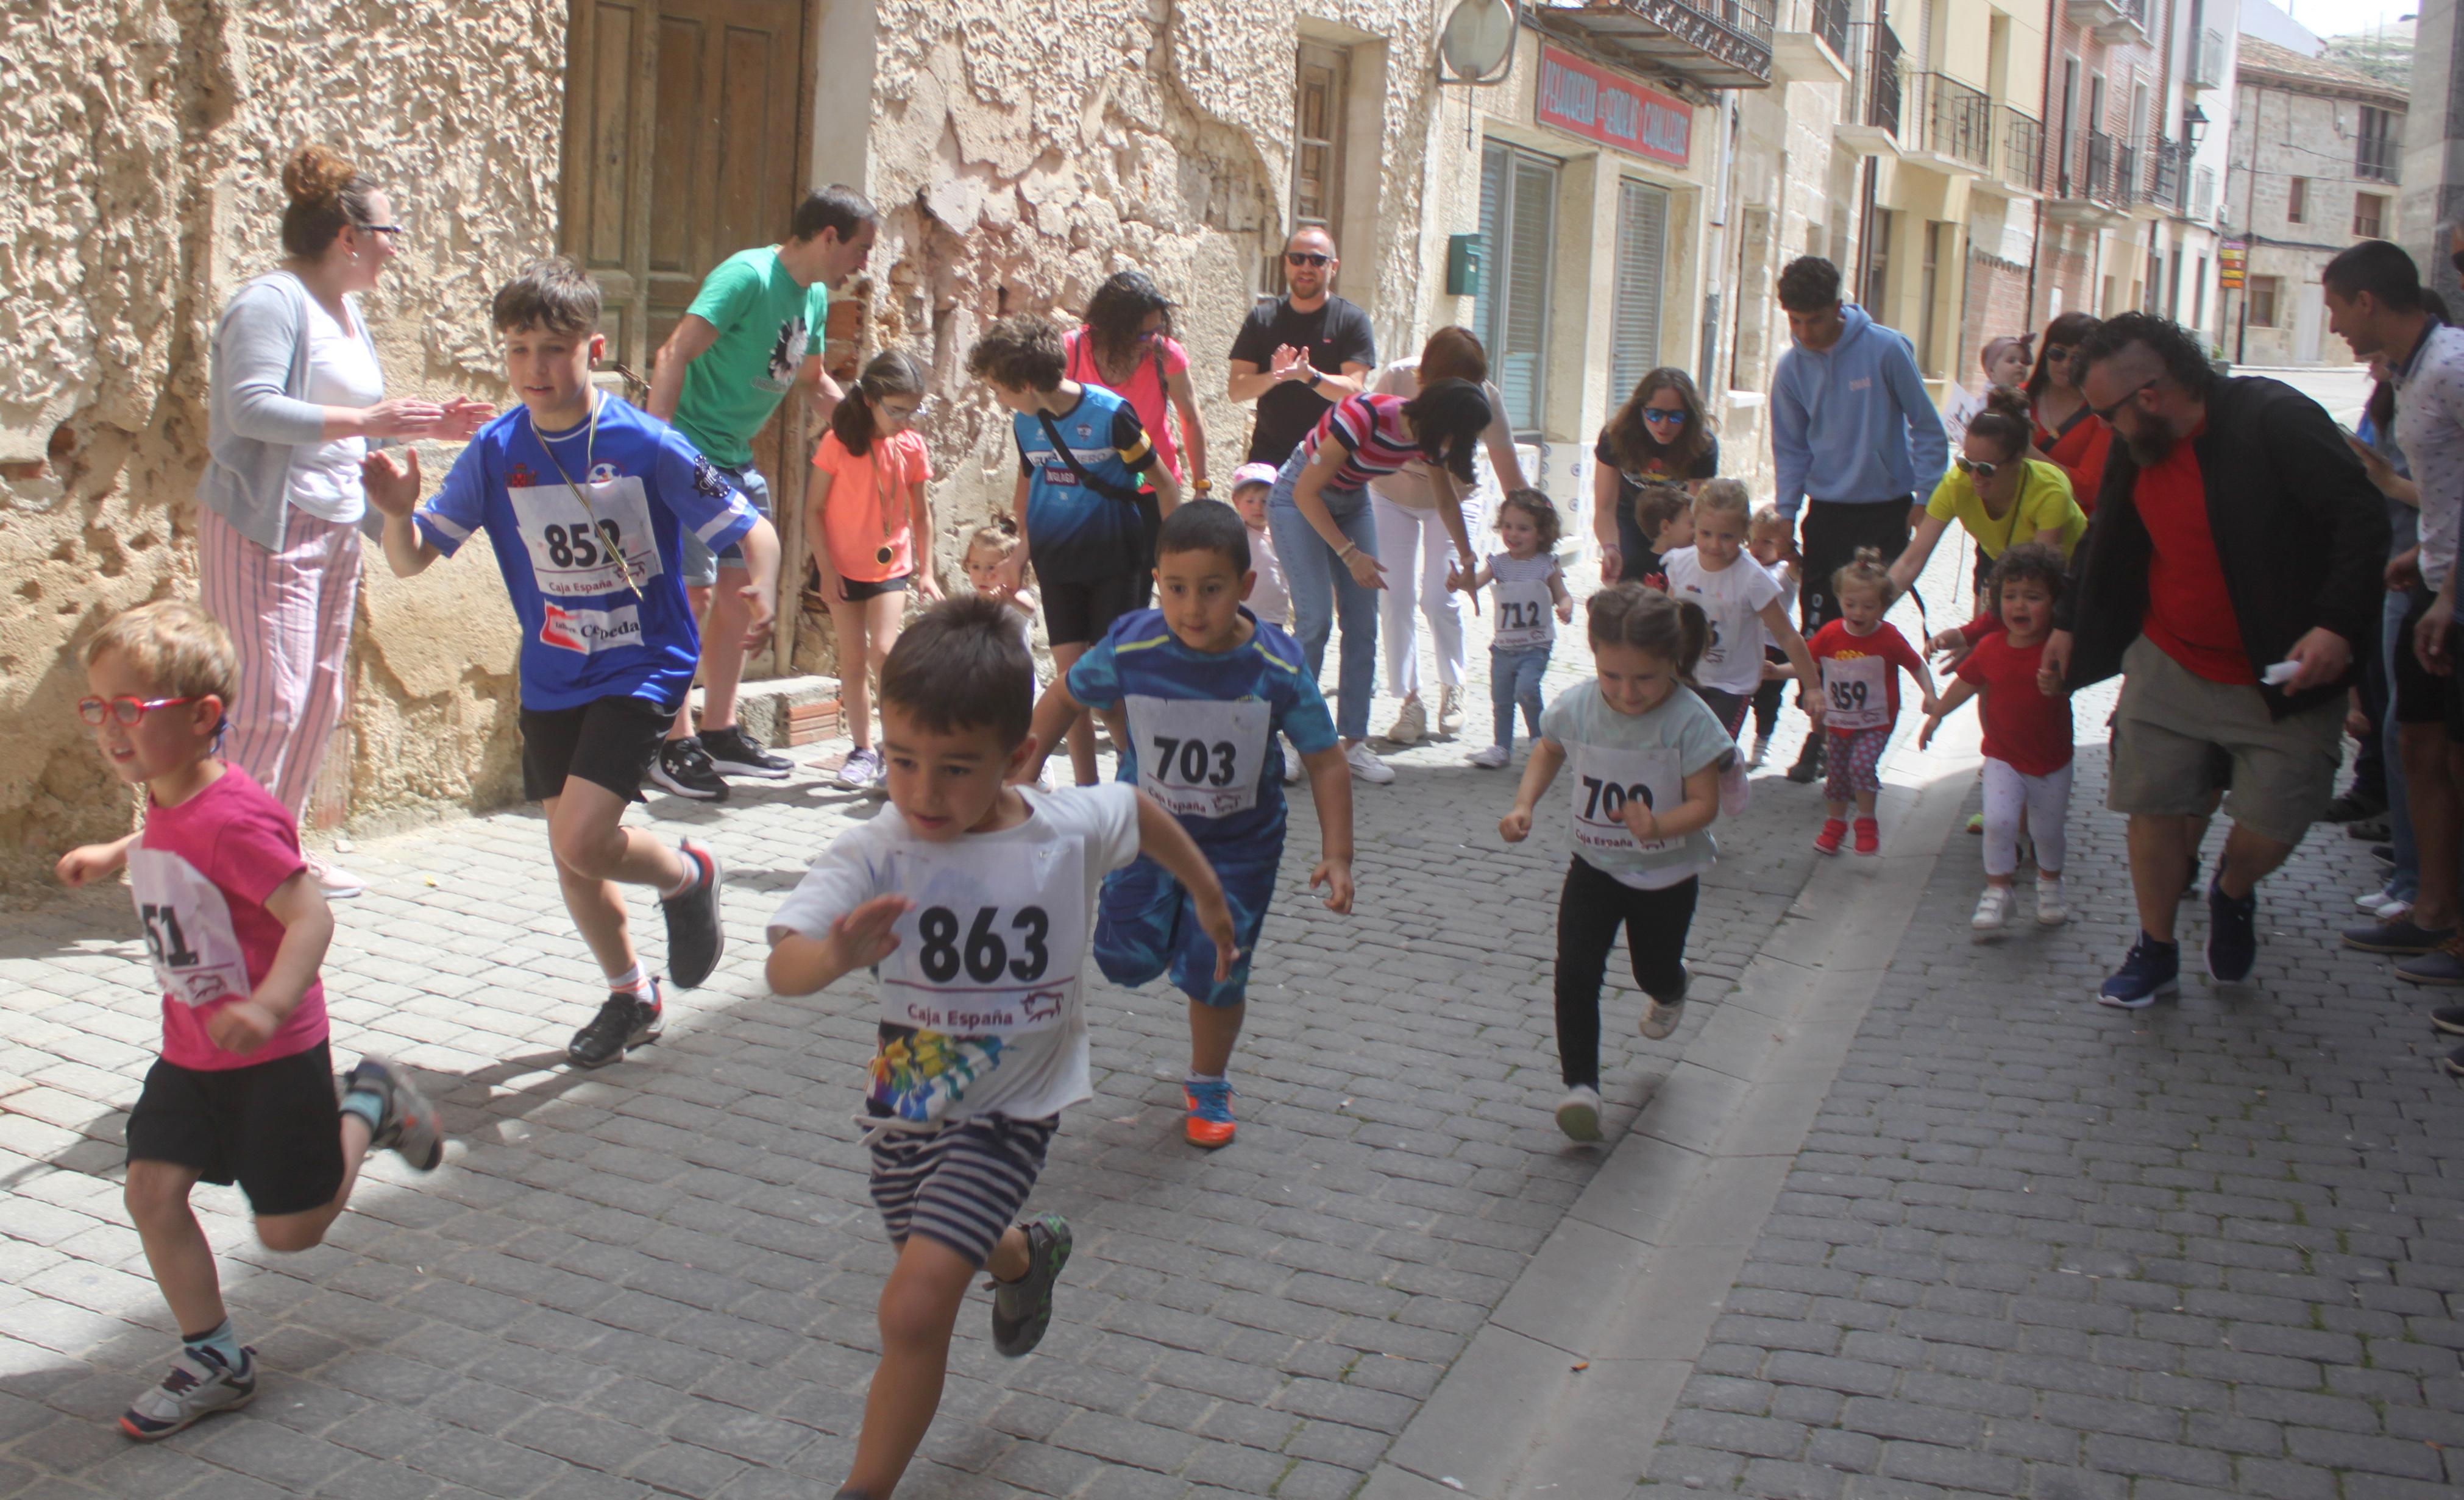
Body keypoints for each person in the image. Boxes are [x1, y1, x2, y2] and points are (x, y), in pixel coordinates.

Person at [764, 597, 1235, 1500]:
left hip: (1013, 1109)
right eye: (901, 761)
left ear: (1017, 755)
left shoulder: (1060, 830)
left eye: (953, 768)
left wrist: (1207, 899)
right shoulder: (877, 848)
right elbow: (783, 965)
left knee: (913, 1302)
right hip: (907, 1099)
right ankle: (1025, 1255)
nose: (922, 791)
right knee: (946, 1250)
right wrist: (832, 954)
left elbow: (1138, 808)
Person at [363, 258, 779, 1066]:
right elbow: (413, 558)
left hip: (642, 666)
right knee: (572, 855)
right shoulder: (495, 451)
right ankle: (632, 994)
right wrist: (395, 512)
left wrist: (755, 587)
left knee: (585, 839)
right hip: (553, 675)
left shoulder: (645, 443)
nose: (535, 369)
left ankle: (687, 874)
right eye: (518, 350)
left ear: (592, 348)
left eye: (553, 349)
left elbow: (749, 528)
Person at [54, 602, 445, 1440]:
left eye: (133, 708)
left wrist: (270, 1004)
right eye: (100, 707)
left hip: (273, 1051)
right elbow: (172, 829)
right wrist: (115, 854)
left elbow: (311, 917)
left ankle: (369, 1100)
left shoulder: (239, 816)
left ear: (202, 718)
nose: (111, 728)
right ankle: (215, 1356)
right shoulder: (167, 788)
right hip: (191, 1047)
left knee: (291, 1231)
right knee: (151, 1192)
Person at [2043, 312, 2387, 1006]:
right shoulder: (2132, 447)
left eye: (2105, 413)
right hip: (2167, 660)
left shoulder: (2273, 420)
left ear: (2149, 395)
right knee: (2152, 806)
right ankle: (2155, 947)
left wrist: (2335, 627)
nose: (2101, 430)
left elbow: (2361, 518)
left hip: (2278, 673)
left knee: (2276, 820)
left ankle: (2232, 888)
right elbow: (2106, 534)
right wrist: (2066, 621)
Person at [197, 144, 493, 897]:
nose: (395, 247)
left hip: (331, 526)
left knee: (323, 695)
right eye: (390, 231)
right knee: (269, 701)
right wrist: (369, 415)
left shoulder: (347, 310)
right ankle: (215, 864)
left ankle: (278, 853)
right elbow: (252, 408)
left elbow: (350, 427)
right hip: (264, 525)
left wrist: (426, 428)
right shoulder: (270, 300)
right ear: (347, 235)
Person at [1026, 501, 1354, 1147]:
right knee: (1124, 959)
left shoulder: (1277, 665)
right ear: (1156, 583)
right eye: (1175, 589)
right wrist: (1021, 769)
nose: (1191, 608)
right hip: (1141, 834)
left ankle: (1208, 1080)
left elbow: (1325, 759)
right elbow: (1067, 693)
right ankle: (1171, 937)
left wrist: (1337, 853)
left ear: (1245, 587)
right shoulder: (1134, 642)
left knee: (1216, 968)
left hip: (1240, 846)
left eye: (1211, 590)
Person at [645, 186, 878, 800]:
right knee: (688, 598)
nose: (863, 263)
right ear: (828, 235)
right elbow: (674, 351)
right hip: (688, 449)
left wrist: (865, 426)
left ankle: (719, 730)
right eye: (859, 248)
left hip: (735, 459)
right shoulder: (747, 276)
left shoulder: (816, 297)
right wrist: (653, 445)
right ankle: (670, 742)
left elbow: (812, 380)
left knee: (737, 595)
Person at [1498, 585, 1734, 1142]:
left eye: (1644, 679)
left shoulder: (1689, 721)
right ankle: (1580, 1087)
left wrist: (1659, 825)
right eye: (1611, 676)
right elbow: (1549, 748)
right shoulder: (1578, 705)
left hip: (1666, 876)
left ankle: (1672, 986)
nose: (1626, 693)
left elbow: (1706, 803)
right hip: (1595, 865)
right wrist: (1523, 804)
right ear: (1595, 661)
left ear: (1672, 665)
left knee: (1650, 969)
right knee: (1575, 969)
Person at [2320, 244, 2464, 987]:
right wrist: (2426, 557)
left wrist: (2448, 588)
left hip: (2450, 604)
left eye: (2337, 307)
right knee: (2421, 751)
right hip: (2434, 588)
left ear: (2367, 301)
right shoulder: (2413, 373)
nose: (2335, 323)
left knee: (2448, 759)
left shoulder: (2448, 365)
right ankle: (2432, 912)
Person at [971, 314, 1184, 787]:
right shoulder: (1024, 424)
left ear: (1026, 382)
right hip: (1058, 564)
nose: (998, 399)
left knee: (1106, 691)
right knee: (1072, 686)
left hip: (1116, 562)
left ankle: (1147, 776)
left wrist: (1171, 567)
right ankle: (1086, 794)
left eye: (998, 389)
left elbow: (1165, 486)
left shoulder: (1111, 415)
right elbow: (1032, 490)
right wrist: (1019, 554)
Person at [1770, 256, 1948, 785]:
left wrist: (1926, 494)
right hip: (1826, 512)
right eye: (1794, 322)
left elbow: (1926, 425)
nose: (1804, 333)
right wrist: (1785, 514)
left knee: (1862, 623)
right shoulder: (1790, 367)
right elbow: (1790, 447)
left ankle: (1859, 735)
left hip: (1883, 509)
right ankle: (1819, 730)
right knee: (1819, 626)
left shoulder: (1885, 350)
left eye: (1815, 321)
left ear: (1838, 307)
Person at [1267, 377, 1495, 784]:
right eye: (1459, 437)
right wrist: (1350, 555)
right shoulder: (1365, 416)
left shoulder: (1429, 441)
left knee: (1362, 623)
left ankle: (1353, 744)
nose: (1456, 447)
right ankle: (1289, 739)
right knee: (1315, 619)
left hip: (1352, 503)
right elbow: (1306, 493)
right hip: (1297, 499)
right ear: (1442, 421)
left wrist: (1466, 560)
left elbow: (1445, 500)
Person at [1368, 328, 1528, 745]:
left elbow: (1509, 472)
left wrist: (1536, 529)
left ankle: (1453, 685)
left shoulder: (1487, 397)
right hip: (1391, 493)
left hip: (1456, 497)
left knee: (1440, 596)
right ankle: (1410, 701)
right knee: (1395, 595)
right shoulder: (1399, 377)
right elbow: (1365, 430)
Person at [1921, 544, 2075, 932]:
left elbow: (2076, 682)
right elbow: (1966, 683)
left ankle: (2050, 886)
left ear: (2055, 603)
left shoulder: (2056, 649)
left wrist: (2059, 683)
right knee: (1999, 823)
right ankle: (1997, 891)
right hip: (2003, 757)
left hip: (2052, 760)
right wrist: (1936, 714)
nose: (2019, 605)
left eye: (2033, 597)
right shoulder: (1990, 648)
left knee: (2047, 831)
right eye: (2010, 596)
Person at [809, 351, 941, 792]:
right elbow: (814, 510)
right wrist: (826, 570)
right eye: (896, 410)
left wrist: (926, 572)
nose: (905, 419)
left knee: (885, 652)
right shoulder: (837, 443)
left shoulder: (912, 446)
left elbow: (921, 516)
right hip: (843, 568)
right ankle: (862, 750)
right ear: (870, 400)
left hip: (891, 564)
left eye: (912, 410)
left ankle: (894, 749)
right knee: (851, 661)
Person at [2345, 354, 2426, 924]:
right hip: (2399, 569)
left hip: (2419, 576)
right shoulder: (2390, 399)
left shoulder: (2438, 382)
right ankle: (2411, 871)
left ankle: (2422, 885)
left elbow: (2443, 498)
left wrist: (2388, 482)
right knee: (2400, 728)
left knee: (2413, 734)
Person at [1889, 386, 2089, 606]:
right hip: (2010, 569)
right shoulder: (1957, 483)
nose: (1974, 476)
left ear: (2018, 460)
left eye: (1986, 468)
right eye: (1966, 463)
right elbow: (1911, 561)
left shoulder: (2050, 490)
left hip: (2071, 578)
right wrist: (1872, 608)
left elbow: (2039, 581)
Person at [1067, 271, 1209, 568]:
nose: (1151, 340)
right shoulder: (1073, 350)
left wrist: (1201, 487)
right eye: (1143, 334)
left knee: (1139, 585)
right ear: (1112, 328)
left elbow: (1191, 419)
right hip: (1088, 491)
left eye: (1156, 330)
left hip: (1152, 489)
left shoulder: (1166, 354)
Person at [1663, 481, 1822, 741]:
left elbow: (1788, 636)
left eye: (1727, 536)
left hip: (1731, 686)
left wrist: (1813, 687)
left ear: (1744, 532)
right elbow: (1666, 619)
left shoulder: (1753, 578)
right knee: (1676, 750)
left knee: (1715, 755)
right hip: (1683, 675)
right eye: (1706, 534)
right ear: (1694, 525)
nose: (1715, 545)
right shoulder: (1680, 564)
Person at [1806, 549, 1936, 857]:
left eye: (1869, 606)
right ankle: (1835, 825)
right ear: (1839, 599)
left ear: (1883, 606)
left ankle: (1866, 823)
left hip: (1877, 721)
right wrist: (1775, 672)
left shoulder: (1888, 637)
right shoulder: (1830, 634)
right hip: (1840, 722)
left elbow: (1915, 664)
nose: (1859, 613)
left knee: (1861, 766)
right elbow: (1806, 662)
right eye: (1851, 605)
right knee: (1836, 775)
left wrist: (1929, 693)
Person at [1229, 226, 1377, 465]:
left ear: (1333, 267)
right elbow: (1237, 390)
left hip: (1331, 459)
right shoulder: (1262, 318)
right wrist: (1275, 377)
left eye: (1317, 261)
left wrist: (1310, 377)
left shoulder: (1352, 321)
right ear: (1287, 264)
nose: (1306, 267)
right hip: (1270, 458)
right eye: (1298, 259)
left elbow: (1354, 391)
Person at [1457, 489, 1573, 768]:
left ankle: (1539, 738)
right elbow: (1474, 584)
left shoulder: (1546, 564)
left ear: (1542, 533)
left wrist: (1566, 607)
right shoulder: (1499, 564)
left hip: (1536, 645)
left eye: (1523, 528)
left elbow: (1562, 594)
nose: (1513, 534)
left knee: (1527, 689)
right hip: (1503, 647)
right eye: (1508, 526)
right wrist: (1458, 581)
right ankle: (1501, 748)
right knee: (1501, 699)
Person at [1593, 369, 1720, 580]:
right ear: (1640, 410)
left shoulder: (1702, 444)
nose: (1664, 425)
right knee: (1628, 578)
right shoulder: (1615, 437)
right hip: (1628, 517)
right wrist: (1610, 549)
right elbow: (1605, 507)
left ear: (1690, 416)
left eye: (1676, 416)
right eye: (1655, 415)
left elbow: (1694, 513)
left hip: (1676, 523)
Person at [2026, 312, 2114, 509]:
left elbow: (2090, 488)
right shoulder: (2019, 397)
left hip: (2069, 527)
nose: (2066, 365)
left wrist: (2026, 451)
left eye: (2078, 358)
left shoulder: (2103, 414)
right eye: (2058, 353)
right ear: (2045, 354)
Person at [1746, 506, 1801, 766]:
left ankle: (1762, 741)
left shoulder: (1784, 571)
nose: (1756, 547)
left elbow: (1798, 568)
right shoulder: (1744, 564)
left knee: (1767, 700)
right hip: (1745, 644)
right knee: (1738, 695)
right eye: (1753, 540)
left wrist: (1793, 554)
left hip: (1775, 648)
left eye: (1766, 541)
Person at [962, 521, 1039, 663]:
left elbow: (1031, 609)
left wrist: (1011, 599)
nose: (983, 575)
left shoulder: (1013, 596)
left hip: (1014, 671)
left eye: (991, 568)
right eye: (976, 566)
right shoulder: (971, 600)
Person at [1939, 334, 2033, 449]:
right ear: (1991, 371)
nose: (2020, 365)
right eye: (2011, 361)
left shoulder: (2022, 395)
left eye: (2023, 361)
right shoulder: (1990, 400)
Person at [1229, 462, 1290, 628]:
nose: (1258, 507)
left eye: (1265, 501)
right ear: (1236, 501)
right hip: (1240, 612)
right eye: (1250, 501)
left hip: (1274, 615)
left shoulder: (1282, 534)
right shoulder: (1235, 534)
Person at [1625, 482, 1697, 595]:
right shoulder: (1636, 565)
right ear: (1666, 527)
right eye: (1693, 525)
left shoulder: (1696, 561)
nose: (1698, 531)